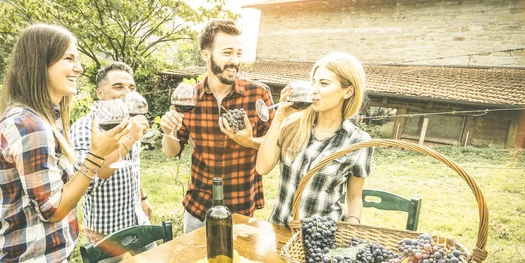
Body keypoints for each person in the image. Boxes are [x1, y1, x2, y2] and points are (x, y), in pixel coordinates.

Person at [0, 24, 131, 263]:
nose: (78, 67)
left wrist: (111, 149)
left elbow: (80, 181)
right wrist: (94, 156)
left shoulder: (43, 117)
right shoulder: (29, 125)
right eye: (68, 58)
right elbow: (53, 209)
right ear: (41, 63)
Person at [160, 19, 274, 233]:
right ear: (206, 54)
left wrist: (249, 141)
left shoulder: (258, 94)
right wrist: (168, 132)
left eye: (239, 53)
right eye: (227, 52)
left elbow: (277, 145)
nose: (235, 61)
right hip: (199, 206)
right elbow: (171, 151)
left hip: (241, 207)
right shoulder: (189, 98)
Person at [256, 51, 374, 227]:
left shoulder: (358, 141)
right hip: (279, 230)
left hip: (321, 238)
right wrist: (279, 118)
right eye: (313, 82)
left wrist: (352, 227)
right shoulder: (291, 126)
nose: (314, 90)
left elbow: (354, 196)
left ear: (348, 91)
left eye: (324, 84)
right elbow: (262, 167)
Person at [70, 62, 153, 253]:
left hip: (137, 220)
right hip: (106, 231)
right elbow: (94, 177)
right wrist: (131, 138)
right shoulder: (84, 128)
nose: (127, 93)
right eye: (118, 87)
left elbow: (131, 165)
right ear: (100, 93)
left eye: (131, 88)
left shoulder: (129, 121)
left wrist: (142, 197)